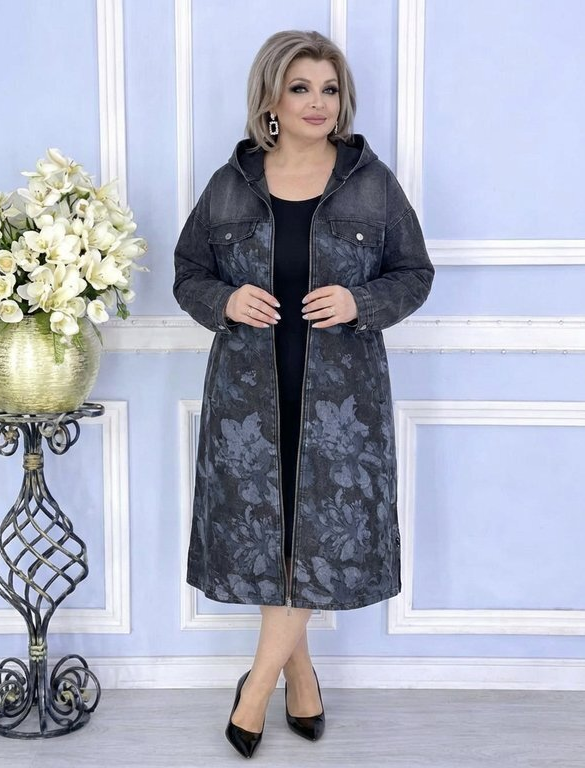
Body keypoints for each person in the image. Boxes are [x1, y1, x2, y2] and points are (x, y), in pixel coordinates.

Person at [173, 29, 434, 759]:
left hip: (342, 401)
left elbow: (414, 273)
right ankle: (303, 675)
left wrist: (360, 302)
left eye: (329, 88)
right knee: (270, 532)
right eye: (300, 88)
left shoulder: (371, 184)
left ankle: (255, 689)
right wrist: (224, 302)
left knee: (314, 532)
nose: (318, 102)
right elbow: (189, 272)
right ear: (271, 99)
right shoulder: (231, 184)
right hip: (247, 396)